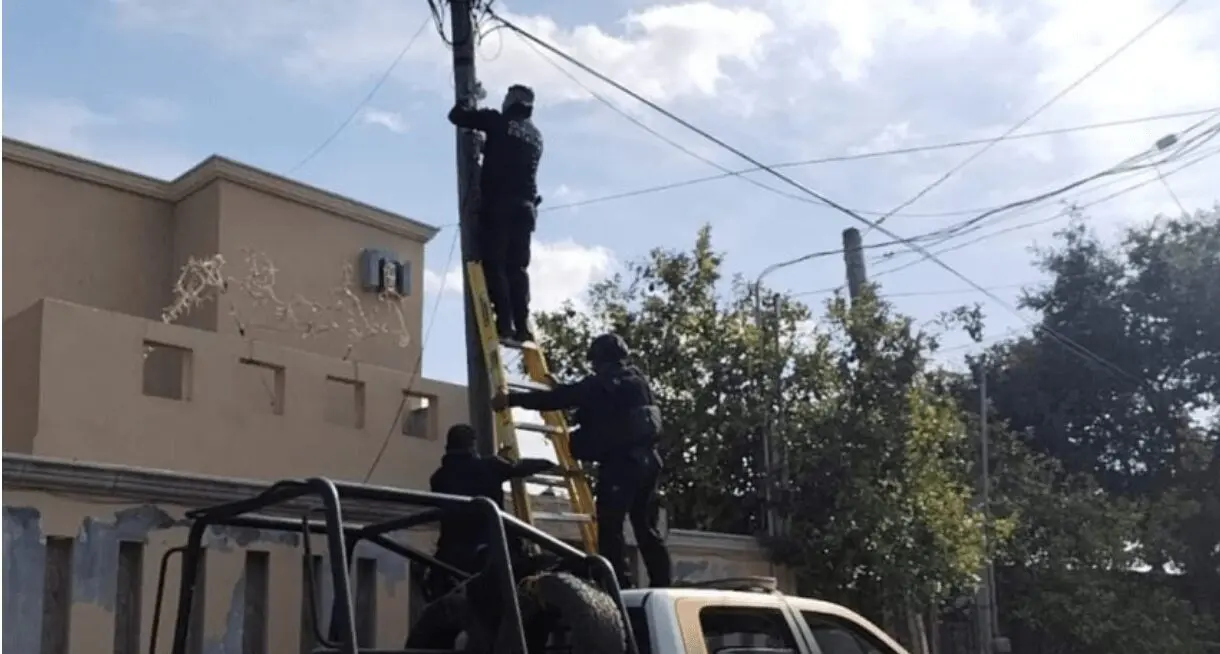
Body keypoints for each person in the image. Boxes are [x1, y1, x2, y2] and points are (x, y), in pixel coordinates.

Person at [491, 334, 673, 588]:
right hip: (649, 463)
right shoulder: (637, 381)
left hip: (621, 465)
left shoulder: (602, 384)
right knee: (645, 527)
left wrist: (512, 399)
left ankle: (616, 586)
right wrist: (566, 391)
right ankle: (662, 583)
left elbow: (557, 400)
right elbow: (595, 406)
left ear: (601, 360)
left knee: (610, 527)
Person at [447, 84, 543, 343]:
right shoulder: (536, 136)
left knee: (495, 262)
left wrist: (471, 97)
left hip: (500, 204)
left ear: (511, 101)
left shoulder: (497, 121)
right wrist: (486, 148)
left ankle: (505, 324)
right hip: (526, 208)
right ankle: (522, 326)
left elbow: (457, 116)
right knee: (518, 268)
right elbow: (509, 157)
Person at [428, 424, 555, 597]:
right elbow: (518, 467)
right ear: (472, 445)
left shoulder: (438, 478)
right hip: (491, 549)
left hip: (451, 555)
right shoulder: (489, 466)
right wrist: (549, 464)